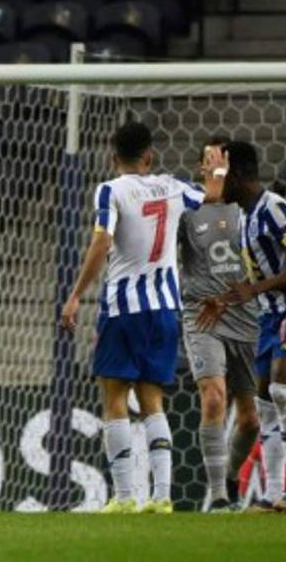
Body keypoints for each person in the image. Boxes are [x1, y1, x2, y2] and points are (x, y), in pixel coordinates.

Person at [60, 121, 226, 514]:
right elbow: (213, 198)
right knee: (153, 400)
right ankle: (163, 497)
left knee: (115, 397)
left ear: (113, 157)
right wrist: (215, 170)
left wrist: (75, 294)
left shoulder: (111, 189)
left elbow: (102, 240)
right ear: (149, 156)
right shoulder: (172, 185)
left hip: (123, 309)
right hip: (165, 309)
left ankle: (124, 497)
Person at [198, 141, 286, 513]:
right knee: (266, 405)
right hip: (270, 315)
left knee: (283, 393)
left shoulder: (274, 208)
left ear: (238, 175)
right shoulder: (242, 216)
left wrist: (253, 289)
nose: (218, 182)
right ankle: (274, 492)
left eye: (222, 175)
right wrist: (225, 300)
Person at [177, 137, 260, 512]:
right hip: (202, 315)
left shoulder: (249, 209)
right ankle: (220, 499)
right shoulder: (186, 210)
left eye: (221, 159)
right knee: (213, 398)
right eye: (209, 160)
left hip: (245, 317)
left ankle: (230, 477)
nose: (216, 166)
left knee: (251, 421)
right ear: (200, 169)